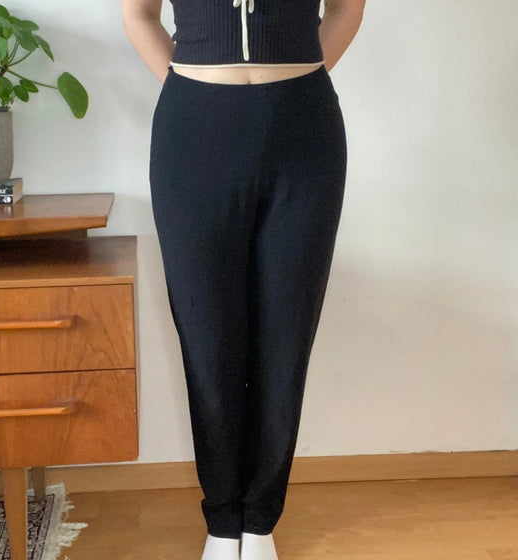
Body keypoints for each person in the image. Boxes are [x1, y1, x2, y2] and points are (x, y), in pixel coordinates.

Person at [121, 1, 366, 558]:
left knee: (286, 335)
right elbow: (138, 17)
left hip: (303, 133)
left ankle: (259, 522)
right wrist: (196, 90)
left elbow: (348, 10)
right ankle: (221, 520)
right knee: (206, 336)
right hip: (193, 131)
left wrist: (293, 86)